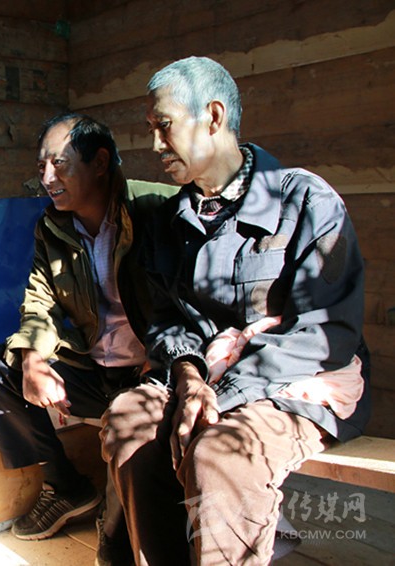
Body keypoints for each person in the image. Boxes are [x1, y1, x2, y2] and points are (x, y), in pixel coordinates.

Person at [100, 56, 370, 565]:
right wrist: (188, 378)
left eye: (164, 126)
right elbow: (166, 321)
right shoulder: (168, 221)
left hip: (293, 385)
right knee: (127, 420)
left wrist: (219, 395)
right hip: (205, 379)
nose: (155, 145)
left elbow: (326, 333)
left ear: (214, 117)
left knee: (220, 455)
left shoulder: (305, 201)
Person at [0, 113, 177, 559]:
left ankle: (117, 516)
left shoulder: (157, 209)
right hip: (97, 371)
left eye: (60, 164)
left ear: (100, 162)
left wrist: (163, 360)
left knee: (120, 539)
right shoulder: (52, 227)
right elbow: (40, 300)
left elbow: (190, 301)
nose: (47, 178)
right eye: (42, 166)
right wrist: (33, 360)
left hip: (153, 377)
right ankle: (64, 486)